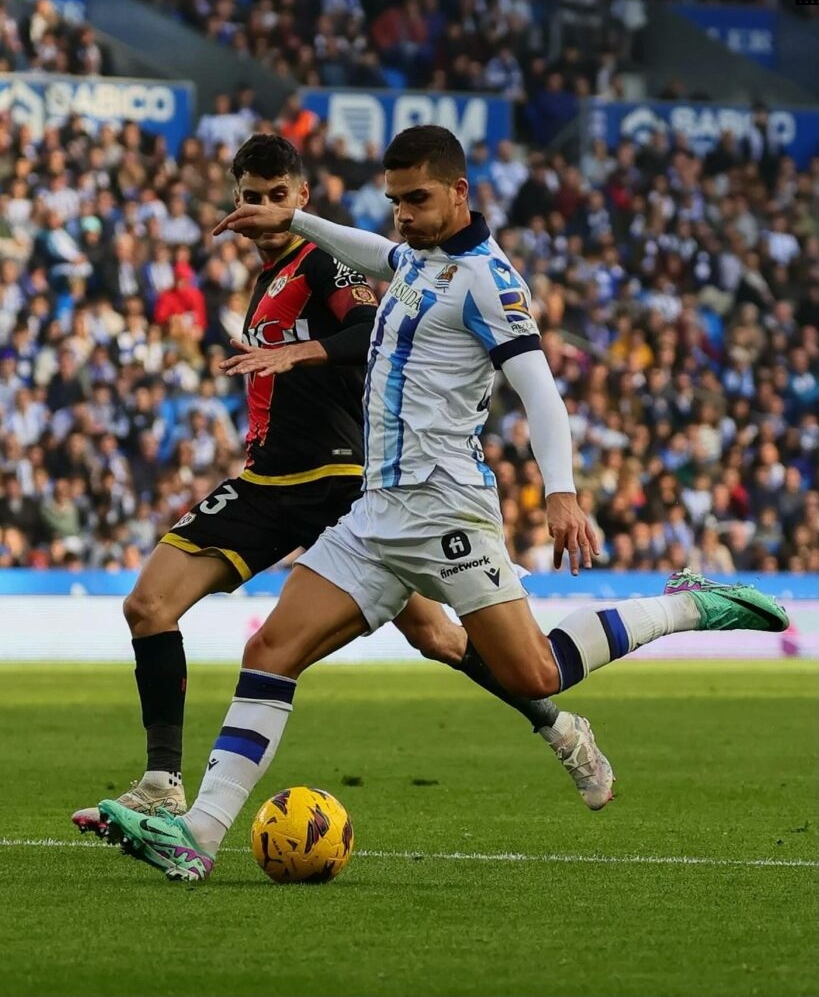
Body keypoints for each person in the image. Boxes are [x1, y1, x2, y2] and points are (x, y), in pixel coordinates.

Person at [97, 127, 788, 881]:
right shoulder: (416, 259)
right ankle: (196, 835)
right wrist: (293, 221)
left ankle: (689, 604)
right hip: (374, 512)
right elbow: (372, 251)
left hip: (447, 512)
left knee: (534, 674)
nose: (402, 214)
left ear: (458, 192)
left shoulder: (488, 281)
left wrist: (560, 491)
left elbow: (541, 391)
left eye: (417, 199)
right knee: (271, 651)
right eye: (394, 201)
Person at [73, 133, 614, 837]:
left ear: (301, 198)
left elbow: (366, 328)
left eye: (277, 198)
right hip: (281, 478)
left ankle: (559, 723)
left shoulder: (327, 265)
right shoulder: (283, 273)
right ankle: (163, 788)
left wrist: (296, 353)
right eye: (250, 199)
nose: (263, 210)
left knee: (440, 640)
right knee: (156, 606)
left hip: (335, 478)